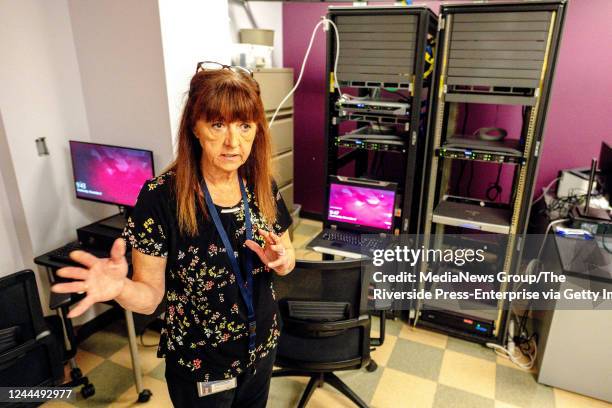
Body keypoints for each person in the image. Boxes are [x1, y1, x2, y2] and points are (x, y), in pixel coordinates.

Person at [51, 62, 296, 407]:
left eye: (244, 125)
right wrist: (120, 288)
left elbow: (289, 259)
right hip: (201, 366)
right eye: (217, 124)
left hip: (262, 347)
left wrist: (283, 261)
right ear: (194, 127)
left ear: (257, 129)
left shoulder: (262, 185)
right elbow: (151, 296)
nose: (233, 141)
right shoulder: (161, 197)